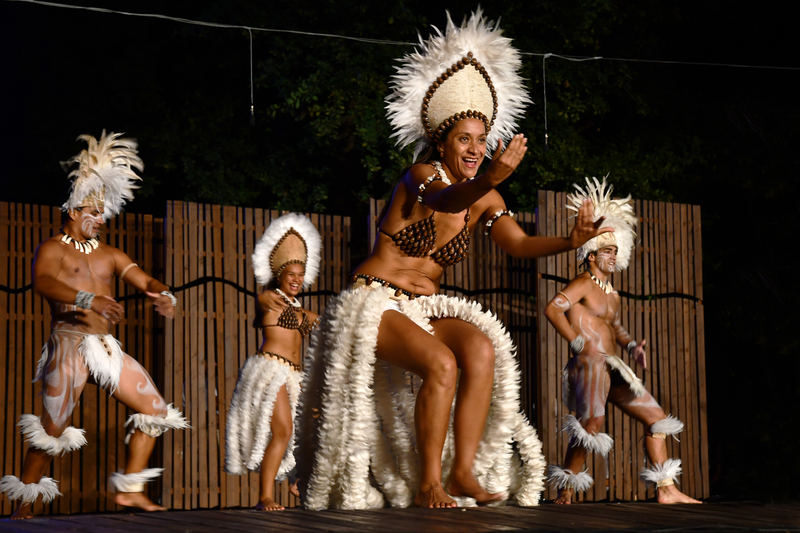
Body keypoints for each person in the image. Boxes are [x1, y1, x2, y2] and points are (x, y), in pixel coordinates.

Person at [297, 11, 612, 510]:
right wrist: (492, 178)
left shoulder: (484, 195)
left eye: (481, 142)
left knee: (481, 350)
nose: (474, 149)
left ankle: (462, 470)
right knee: (442, 363)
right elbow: (447, 201)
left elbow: (517, 244)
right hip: (374, 305)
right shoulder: (421, 175)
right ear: (442, 141)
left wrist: (570, 242)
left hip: (422, 308)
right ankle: (428, 485)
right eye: (464, 140)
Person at [0, 131, 189, 519]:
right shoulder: (52, 248)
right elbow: (43, 283)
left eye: (102, 213)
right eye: (92, 211)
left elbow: (144, 279)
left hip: (105, 347)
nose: (99, 219)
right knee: (51, 431)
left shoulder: (111, 254)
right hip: (69, 342)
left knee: (155, 410)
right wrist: (89, 299)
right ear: (72, 210)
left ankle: (130, 489)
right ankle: (23, 509)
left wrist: (163, 293)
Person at [544, 177, 700, 504]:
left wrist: (632, 347)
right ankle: (566, 491)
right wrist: (574, 340)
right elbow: (553, 309)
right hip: (588, 363)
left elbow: (615, 327)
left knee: (656, 418)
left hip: (613, 366)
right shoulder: (582, 283)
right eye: (607, 251)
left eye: (615, 251)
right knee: (591, 424)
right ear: (591, 255)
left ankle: (666, 489)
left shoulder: (612, 295)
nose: (612, 257)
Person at [225, 214, 321, 511]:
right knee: (282, 431)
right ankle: (265, 496)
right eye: (290, 274)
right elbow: (262, 301)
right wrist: (266, 298)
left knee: (313, 424)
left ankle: (296, 480)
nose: (295, 279)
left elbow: (321, 322)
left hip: (294, 374)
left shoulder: (300, 308)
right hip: (272, 370)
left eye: (300, 274)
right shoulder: (270, 298)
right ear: (279, 275)